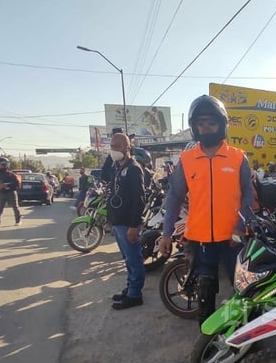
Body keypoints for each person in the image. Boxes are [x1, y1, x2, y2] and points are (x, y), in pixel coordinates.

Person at [158, 95, 255, 324]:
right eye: (200, 124)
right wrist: (165, 233)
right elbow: (174, 197)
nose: (205, 128)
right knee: (205, 294)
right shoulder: (187, 159)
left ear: (221, 125)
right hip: (200, 240)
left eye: (211, 123)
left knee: (242, 291)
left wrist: (240, 227)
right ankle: (207, 339)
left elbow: (248, 195)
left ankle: (245, 337)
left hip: (233, 239)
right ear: (194, 127)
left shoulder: (238, 157)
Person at [106, 133, 148, 310]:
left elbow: (139, 200)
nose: (113, 150)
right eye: (112, 146)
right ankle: (131, 287)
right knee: (127, 259)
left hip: (128, 224)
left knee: (134, 259)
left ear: (127, 148)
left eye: (117, 146)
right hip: (117, 222)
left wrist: (133, 226)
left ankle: (135, 295)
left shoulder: (133, 169)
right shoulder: (117, 167)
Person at [0, 158, 22, 228]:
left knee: (15, 207)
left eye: (1, 165)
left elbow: (17, 184)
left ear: (5, 165)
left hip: (11, 193)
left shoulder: (11, 175)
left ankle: (18, 220)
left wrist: (7, 185)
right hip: (0, 193)